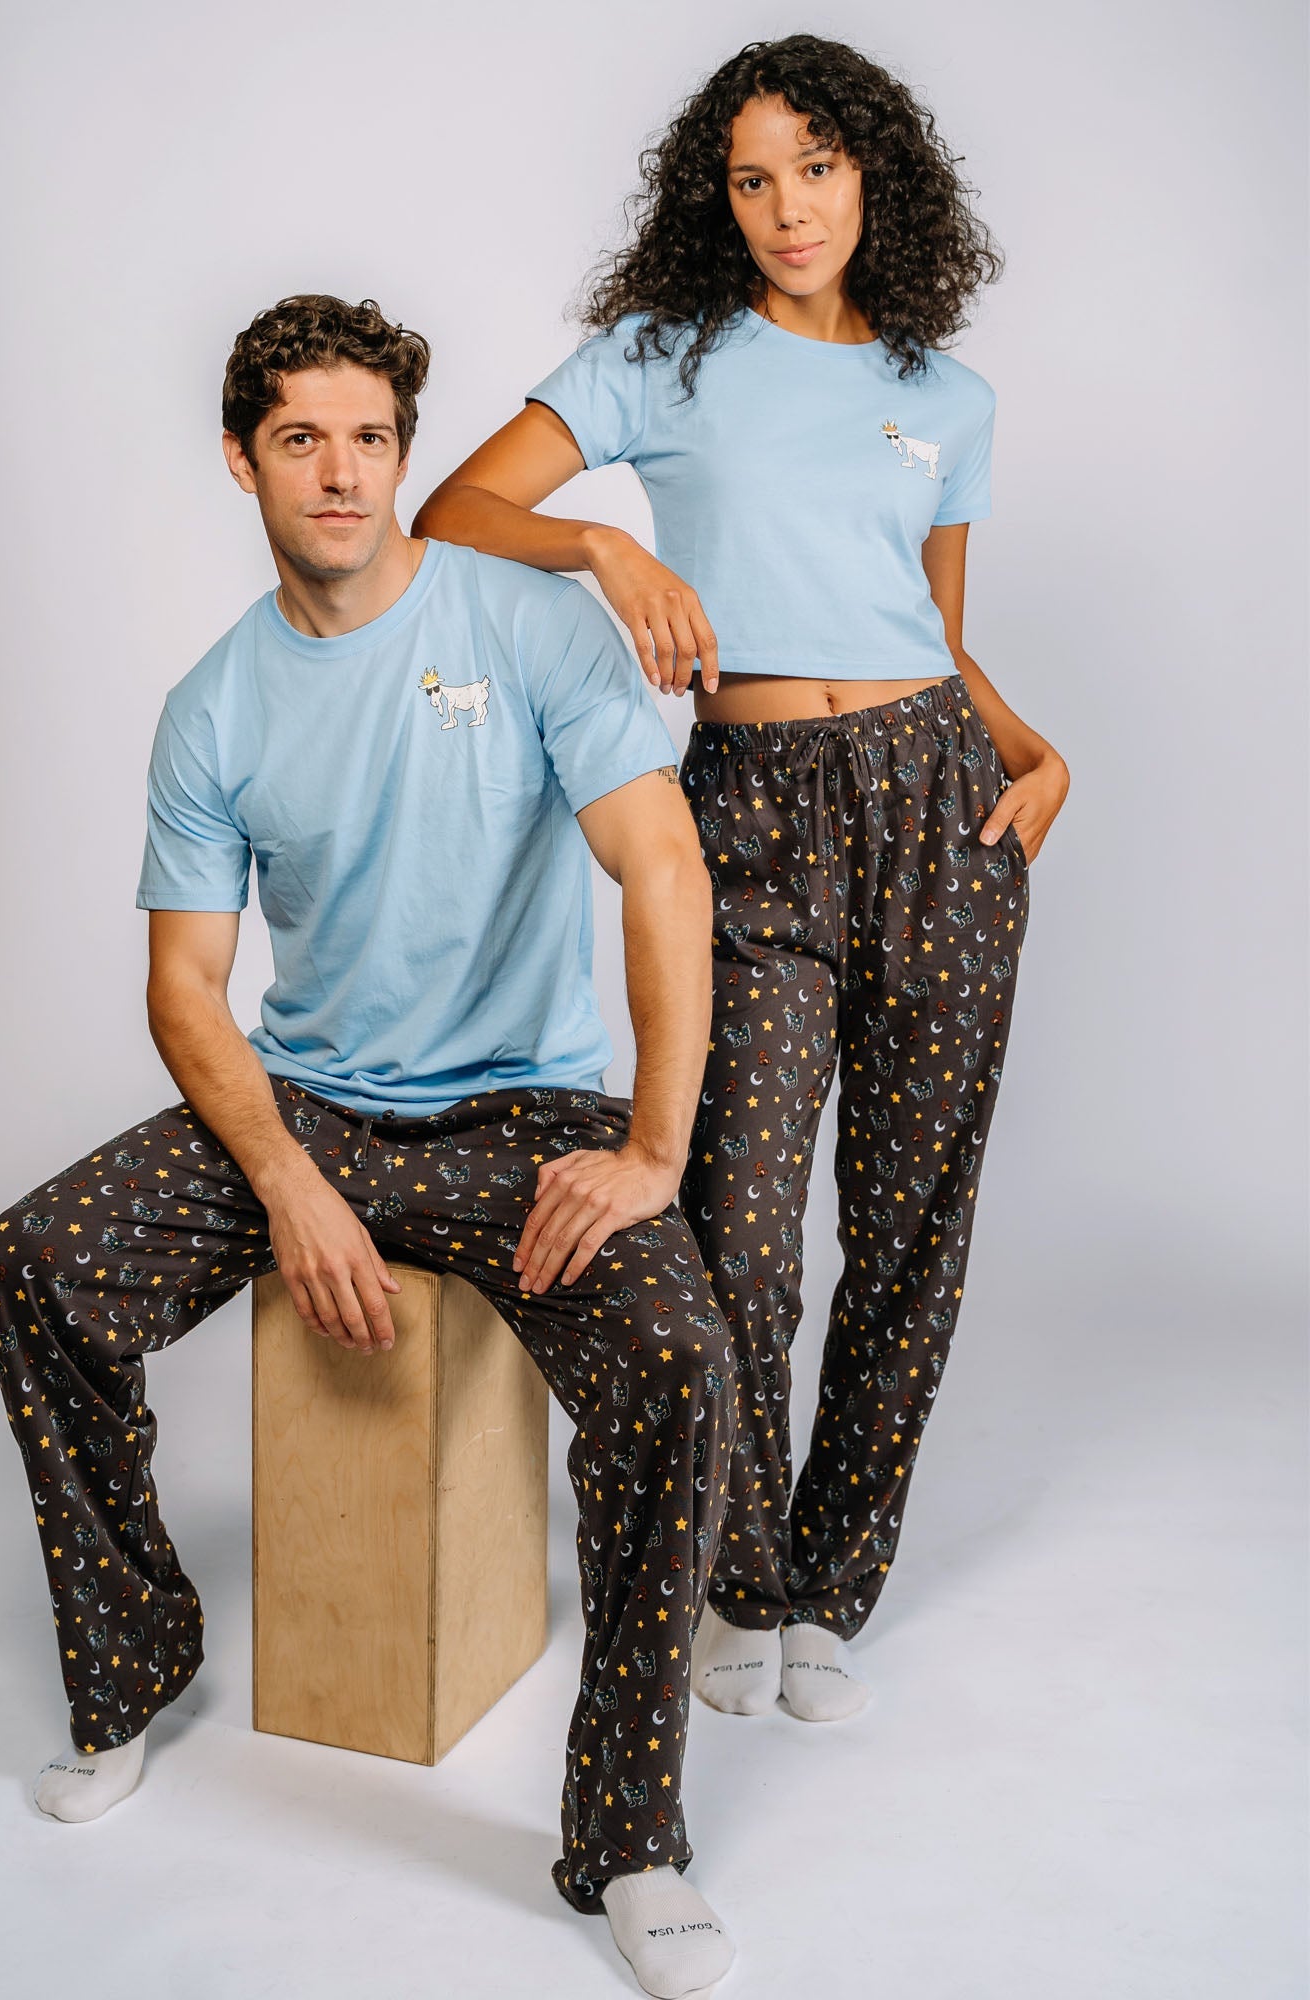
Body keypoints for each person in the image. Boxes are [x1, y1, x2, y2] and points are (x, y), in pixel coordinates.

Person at [0, 292, 741, 2000]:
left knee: (679, 1365)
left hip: (524, 1110)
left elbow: (664, 871)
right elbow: (186, 990)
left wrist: (656, 1148)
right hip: (315, 1108)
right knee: (33, 1262)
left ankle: (627, 1838)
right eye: (303, 439)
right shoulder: (213, 703)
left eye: (373, 437)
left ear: (405, 451)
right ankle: (132, 1667)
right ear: (241, 458)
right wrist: (288, 1178)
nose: (342, 472)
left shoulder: (530, 627)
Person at [414, 34, 1069, 1726]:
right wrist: (609, 543)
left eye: (820, 168)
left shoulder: (947, 398)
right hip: (752, 812)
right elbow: (456, 507)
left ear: (880, 180)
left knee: (913, 1226)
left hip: (941, 807)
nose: (789, 207)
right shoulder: (663, 354)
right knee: (741, 1230)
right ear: (719, 199)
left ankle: (839, 1581)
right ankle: (740, 1569)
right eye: (754, 176)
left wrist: (1029, 747)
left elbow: (926, 630)